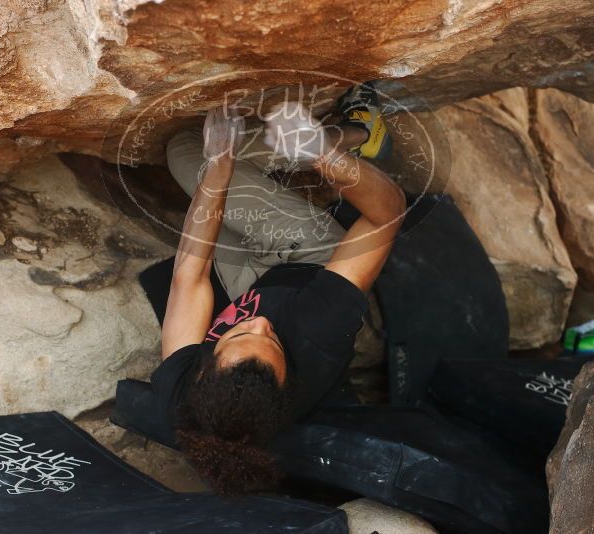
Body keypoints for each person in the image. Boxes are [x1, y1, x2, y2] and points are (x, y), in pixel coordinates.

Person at [151, 84, 405, 494]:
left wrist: (221, 163)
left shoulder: (180, 400)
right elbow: (386, 215)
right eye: (273, 340)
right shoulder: (318, 330)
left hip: (250, 283)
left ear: (200, 372)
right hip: (310, 259)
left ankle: (261, 157)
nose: (262, 322)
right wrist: (321, 155)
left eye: (237, 333)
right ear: (287, 386)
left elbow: (189, 278)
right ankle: (360, 134)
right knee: (197, 154)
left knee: (187, 152)